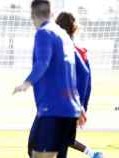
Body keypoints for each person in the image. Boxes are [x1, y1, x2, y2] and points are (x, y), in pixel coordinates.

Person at [12, 0, 87, 158]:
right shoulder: (64, 36)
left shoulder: (44, 32)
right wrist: (79, 104)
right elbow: (83, 73)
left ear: (33, 15)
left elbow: (42, 62)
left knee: (38, 154)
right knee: (42, 152)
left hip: (52, 109)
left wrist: (27, 82)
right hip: (69, 110)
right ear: (51, 13)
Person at [56, 11, 103, 158]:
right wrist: (83, 107)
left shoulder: (62, 51)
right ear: (74, 29)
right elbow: (88, 84)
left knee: (54, 141)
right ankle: (93, 153)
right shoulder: (81, 52)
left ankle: (93, 153)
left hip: (60, 106)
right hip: (73, 105)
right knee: (63, 140)